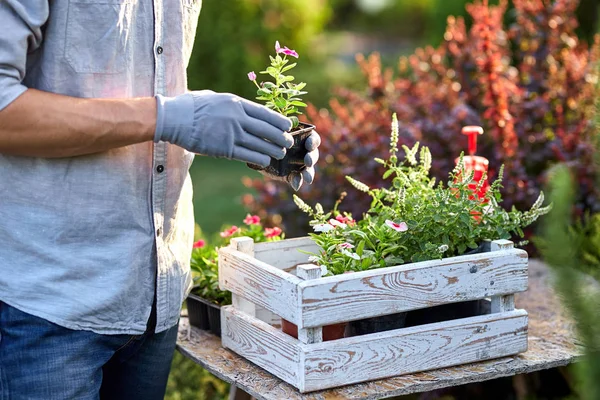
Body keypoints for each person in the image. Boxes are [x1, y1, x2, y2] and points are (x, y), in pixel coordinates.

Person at [0, 1, 320, 399]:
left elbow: (146, 83)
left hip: (155, 299)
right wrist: (169, 119)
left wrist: (240, 134)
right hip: (47, 306)